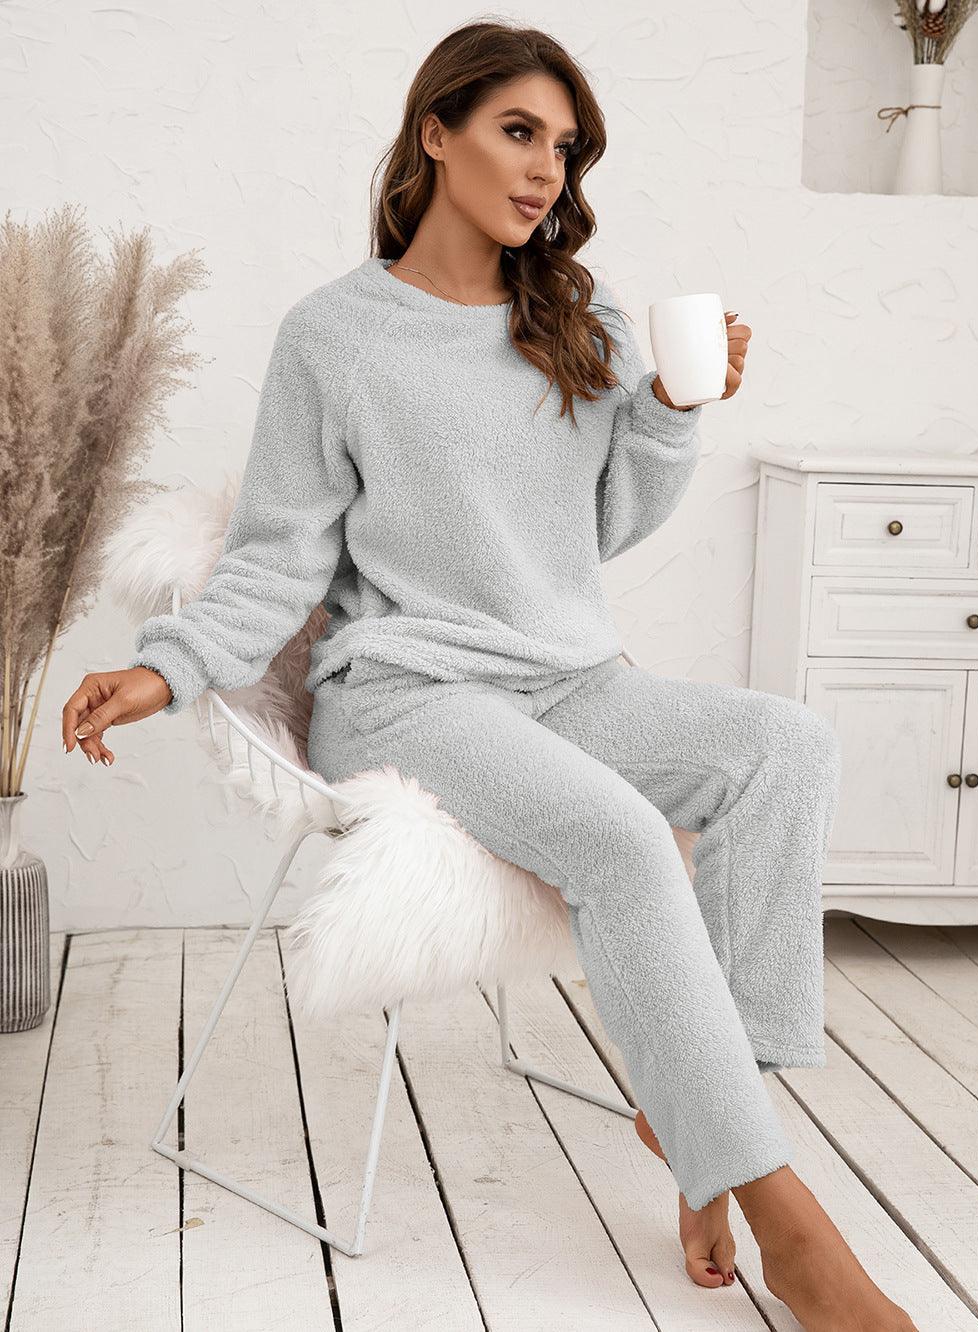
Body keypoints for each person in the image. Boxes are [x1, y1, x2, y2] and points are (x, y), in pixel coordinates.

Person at [60, 20, 918, 1331]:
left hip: (570, 677)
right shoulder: (333, 337)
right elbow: (274, 558)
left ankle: (703, 1119)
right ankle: (789, 1226)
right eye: (519, 133)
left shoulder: (577, 312)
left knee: (784, 746)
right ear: (436, 133)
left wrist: (672, 413)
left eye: (563, 149)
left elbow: (602, 526)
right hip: (406, 695)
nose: (544, 171)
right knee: (625, 840)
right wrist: (165, 669)